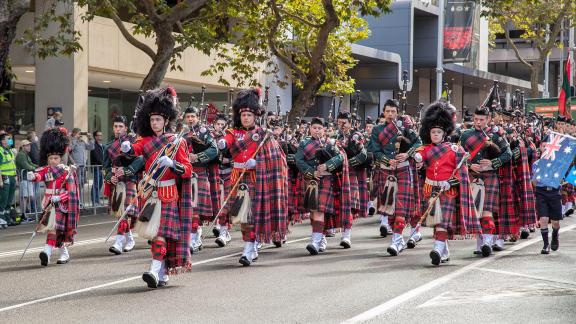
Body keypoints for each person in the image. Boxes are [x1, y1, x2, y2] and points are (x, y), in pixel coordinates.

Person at [121, 87, 193, 288]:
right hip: (149, 192)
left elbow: (187, 169)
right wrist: (126, 149)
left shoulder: (176, 142)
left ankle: (153, 270)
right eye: (152, 120)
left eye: (158, 120)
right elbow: (133, 151)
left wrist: (172, 164)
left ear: (166, 120)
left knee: (161, 234)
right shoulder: (144, 141)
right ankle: (161, 272)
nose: (154, 123)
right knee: (153, 236)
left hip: (168, 193)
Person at [217, 88, 289, 266]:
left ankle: (249, 249)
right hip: (237, 177)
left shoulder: (264, 135)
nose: (246, 118)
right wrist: (222, 143)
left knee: (252, 216)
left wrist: (257, 163)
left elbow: (277, 159)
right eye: (243, 115)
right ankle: (250, 245)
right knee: (241, 216)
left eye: (249, 115)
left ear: (255, 116)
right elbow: (227, 139)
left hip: (256, 178)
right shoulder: (234, 132)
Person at [415, 100, 481, 265]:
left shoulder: (454, 149)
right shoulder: (426, 149)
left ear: (444, 133)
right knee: (436, 221)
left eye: (438, 132)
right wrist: (417, 159)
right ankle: (443, 251)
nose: (435, 135)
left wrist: (450, 182)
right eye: (433, 132)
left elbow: (461, 173)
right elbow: (420, 155)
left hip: (448, 190)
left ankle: (437, 249)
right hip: (431, 188)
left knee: (443, 221)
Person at [367, 99, 422, 256]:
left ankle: (397, 240)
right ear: (383, 113)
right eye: (388, 111)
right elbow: (375, 151)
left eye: (393, 111)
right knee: (389, 207)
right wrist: (386, 160)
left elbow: (419, 143)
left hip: (404, 169)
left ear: (397, 113)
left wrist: (407, 154)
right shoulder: (377, 130)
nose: (390, 114)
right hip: (386, 170)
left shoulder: (404, 128)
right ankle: (398, 239)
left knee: (400, 206)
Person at [295, 117, 352, 255]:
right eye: (314, 128)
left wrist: (327, 165)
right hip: (311, 180)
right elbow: (298, 159)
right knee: (314, 211)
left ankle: (315, 241)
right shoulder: (304, 143)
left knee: (319, 210)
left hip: (327, 179)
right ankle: (320, 239)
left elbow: (340, 157)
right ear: (310, 129)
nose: (317, 131)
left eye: (320, 128)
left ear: (324, 130)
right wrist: (311, 172)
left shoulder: (330, 143)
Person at [460, 106, 511, 257]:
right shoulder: (465, 135)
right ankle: (479, 243)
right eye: (476, 119)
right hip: (472, 176)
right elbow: (458, 156)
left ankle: (488, 242)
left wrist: (492, 163)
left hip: (489, 175)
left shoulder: (496, 135)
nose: (478, 122)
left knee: (487, 210)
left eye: (482, 119)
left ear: (488, 119)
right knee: (476, 211)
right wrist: (469, 165)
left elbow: (507, 154)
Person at [26, 127, 80, 266]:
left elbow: (71, 192)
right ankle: (64, 253)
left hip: (61, 205)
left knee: (54, 229)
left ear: (60, 158)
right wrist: (33, 176)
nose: (52, 161)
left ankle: (47, 252)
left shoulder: (66, 171)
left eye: (55, 158)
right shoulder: (47, 169)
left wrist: (60, 197)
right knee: (56, 230)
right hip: (49, 204)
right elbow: (40, 175)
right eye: (50, 158)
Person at [103, 116, 143, 255]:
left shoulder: (133, 142)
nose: (118, 129)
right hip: (117, 182)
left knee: (126, 212)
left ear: (126, 128)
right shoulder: (108, 146)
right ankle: (130, 240)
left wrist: (126, 170)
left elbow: (140, 159)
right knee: (121, 213)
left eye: (120, 126)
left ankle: (119, 242)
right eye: (115, 126)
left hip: (130, 179)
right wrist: (110, 177)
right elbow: (106, 167)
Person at [16, 140, 38, 221]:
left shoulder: (25, 154)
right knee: (25, 197)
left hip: (27, 178)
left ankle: (24, 212)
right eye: (27, 145)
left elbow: (31, 164)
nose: (29, 147)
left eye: (29, 145)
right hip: (24, 179)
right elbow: (26, 166)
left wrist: (38, 166)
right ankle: (23, 214)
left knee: (29, 196)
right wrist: (36, 168)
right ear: (22, 147)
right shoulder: (21, 155)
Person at [0, 133, 18, 226]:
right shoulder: (0, 151)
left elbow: (12, 164)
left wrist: (15, 176)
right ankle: (1, 219)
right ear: (3, 141)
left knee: (9, 200)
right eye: (8, 138)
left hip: (11, 177)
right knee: (3, 199)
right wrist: (0, 180)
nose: (10, 140)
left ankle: (7, 219)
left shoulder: (9, 150)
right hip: (5, 177)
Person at [69, 128, 94, 193]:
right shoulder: (71, 141)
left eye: (80, 133)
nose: (79, 135)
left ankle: (79, 197)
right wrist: (74, 138)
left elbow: (91, 147)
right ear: (74, 134)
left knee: (82, 183)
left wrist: (90, 138)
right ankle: (77, 197)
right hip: (76, 166)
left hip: (83, 165)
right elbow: (70, 148)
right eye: (78, 133)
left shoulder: (82, 142)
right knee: (77, 182)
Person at [90, 130, 105, 205]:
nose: (100, 137)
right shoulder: (94, 145)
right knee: (96, 184)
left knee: (100, 184)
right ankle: (94, 201)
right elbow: (96, 157)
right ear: (95, 137)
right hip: (96, 168)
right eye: (98, 135)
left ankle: (97, 200)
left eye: (101, 135)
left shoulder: (102, 145)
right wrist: (103, 164)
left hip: (101, 168)